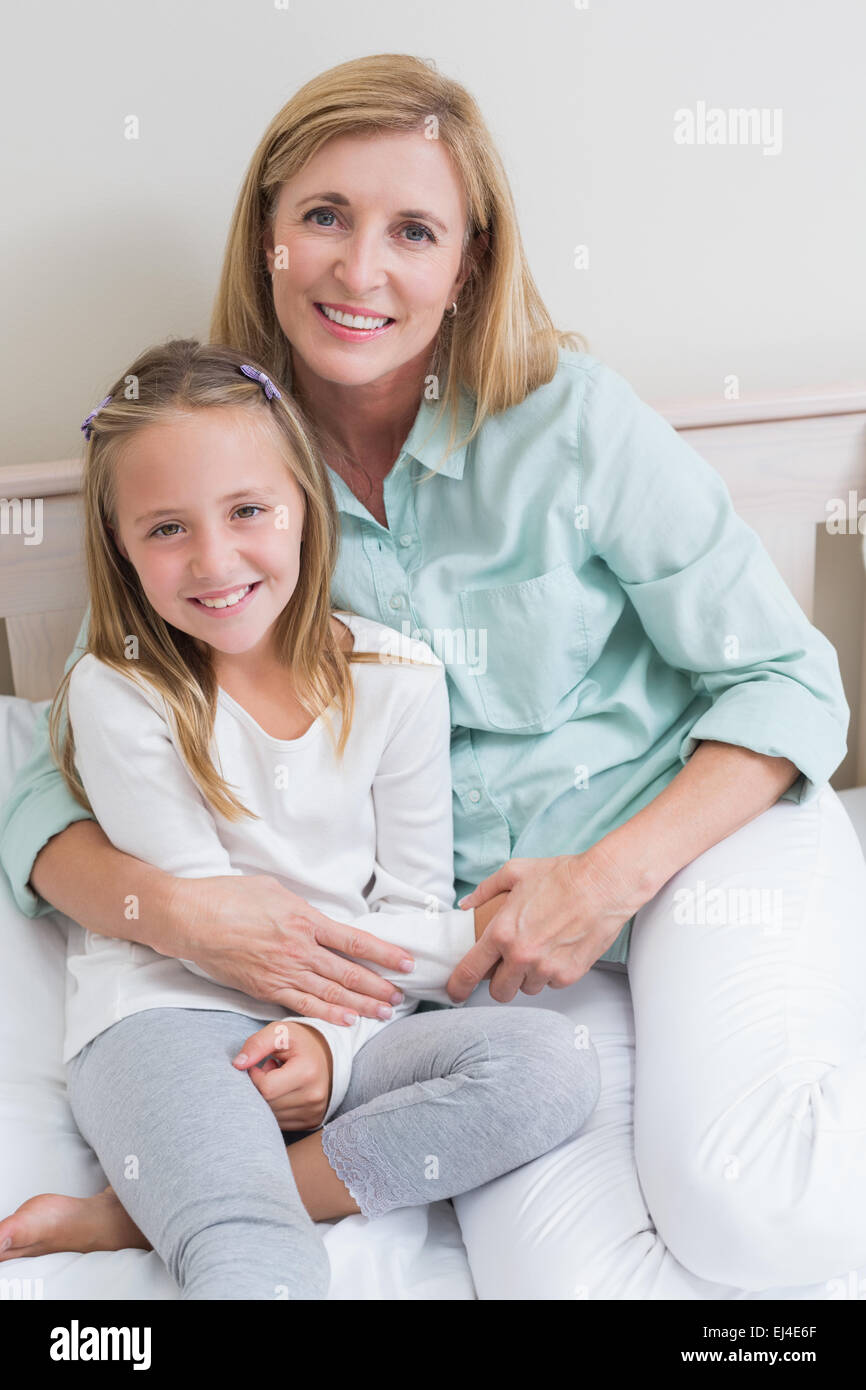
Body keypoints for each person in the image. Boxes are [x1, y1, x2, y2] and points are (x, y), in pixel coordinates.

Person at [2, 53, 865, 1297]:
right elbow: (44, 788)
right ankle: (192, 1204)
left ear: (467, 264)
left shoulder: (570, 419)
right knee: (558, 1285)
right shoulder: (215, 467)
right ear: (267, 240)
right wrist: (187, 917)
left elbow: (789, 681)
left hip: (691, 849)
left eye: (413, 230)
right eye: (323, 218)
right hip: (471, 956)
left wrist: (603, 880)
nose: (362, 270)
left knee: (752, 1206)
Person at [0, 337, 600, 1298]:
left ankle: (144, 1206)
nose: (215, 559)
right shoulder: (117, 691)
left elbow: (407, 900)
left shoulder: (397, 678)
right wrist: (376, 989)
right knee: (259, 1258)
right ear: (119, 543)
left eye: (247, 511)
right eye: (166, 529)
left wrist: (335, 1047)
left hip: (345, 1010)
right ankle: (215, 1196)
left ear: (305, 508)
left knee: (554, 1067)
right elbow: (213, 925)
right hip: (175, 1011)